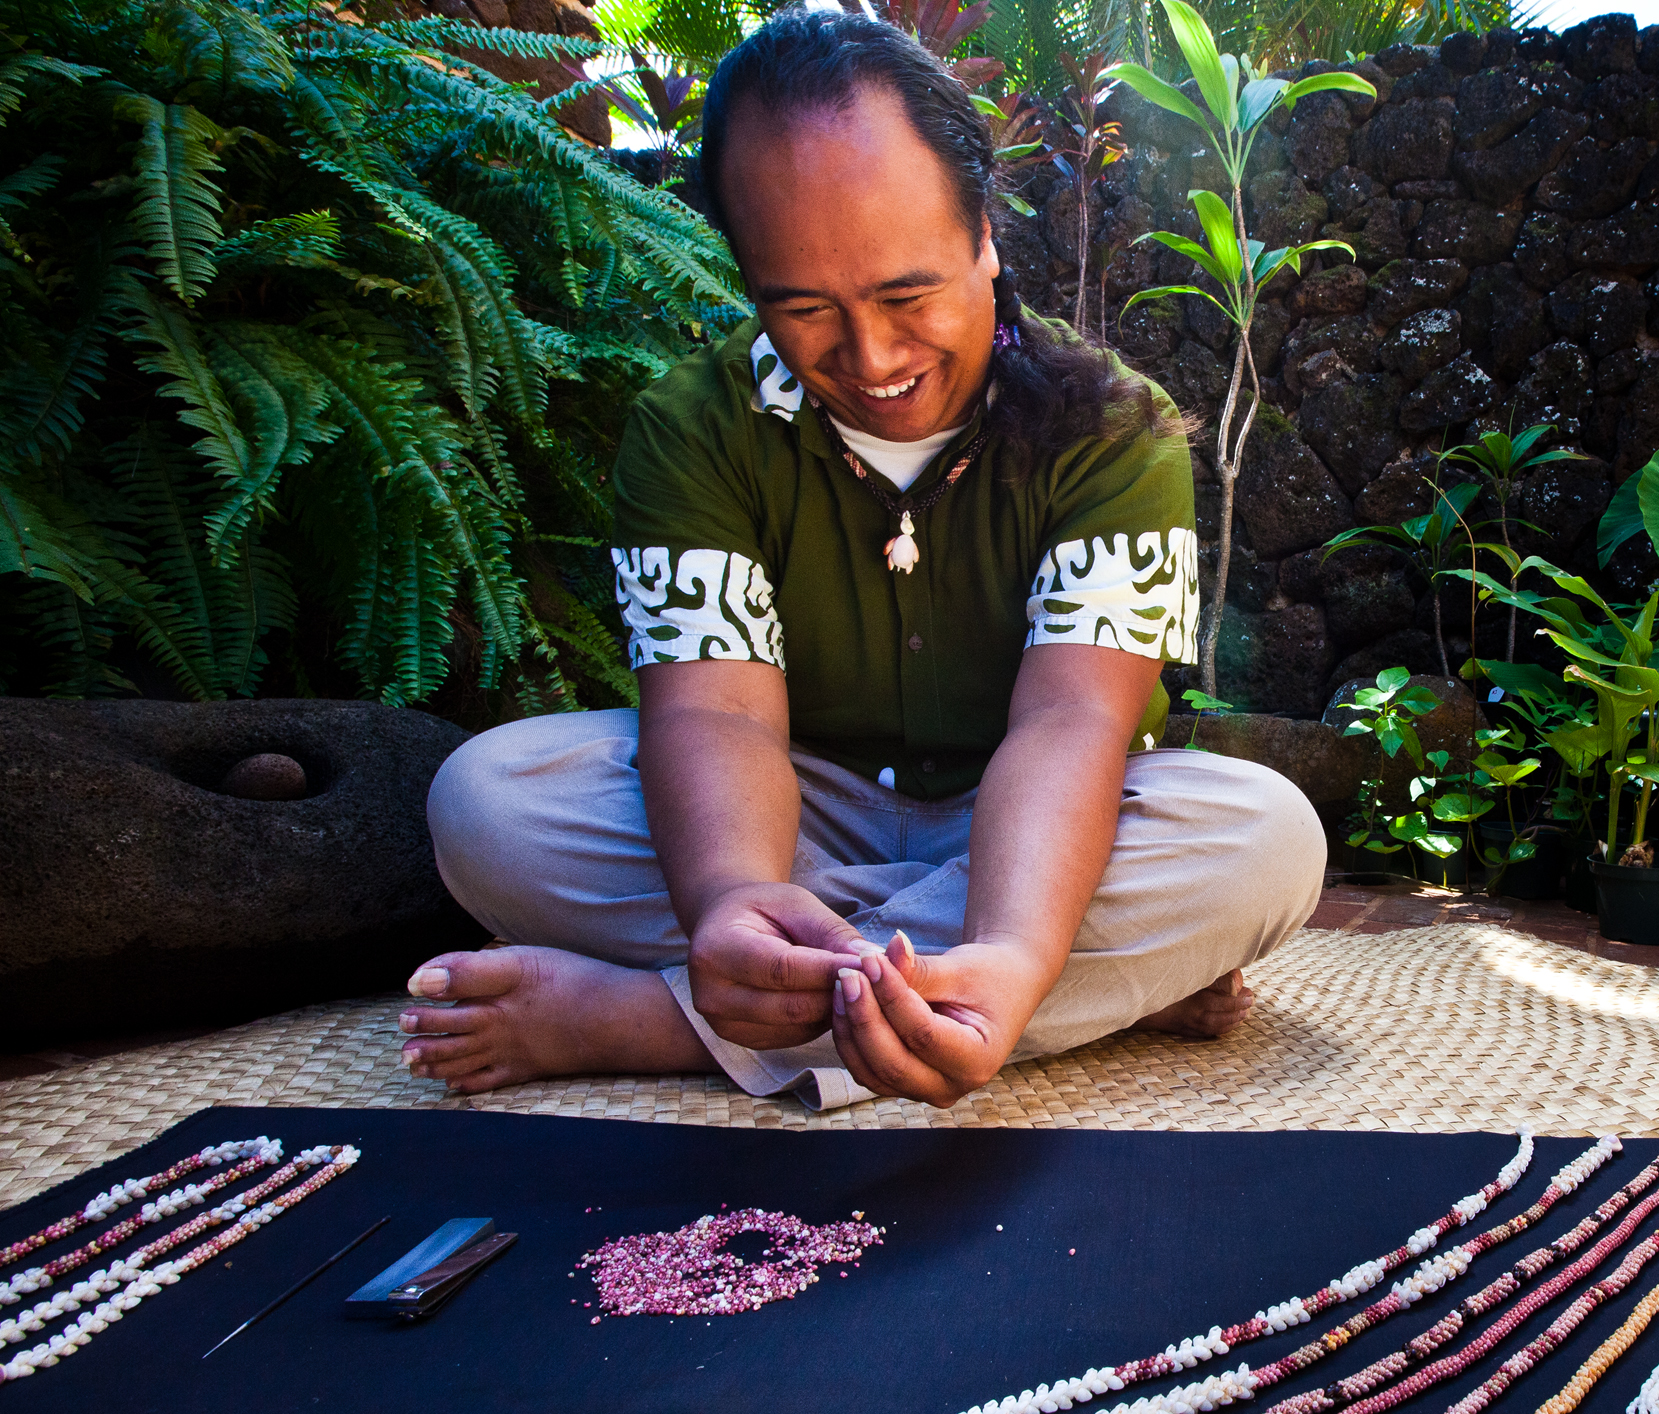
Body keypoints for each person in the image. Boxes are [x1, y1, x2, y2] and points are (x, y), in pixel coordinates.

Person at [400, 8, 1323, 1110]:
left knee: (1267, 836)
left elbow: (1070, 726)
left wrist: (1021, 943)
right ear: (746, 275)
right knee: (490, 802)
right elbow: (717, 718)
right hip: (796, 811)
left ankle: (664, 1019)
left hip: (1030, 819)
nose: (873, 358)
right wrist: (731, 901)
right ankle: (1081, 987)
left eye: (906, 293)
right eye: (802, 309)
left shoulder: (1116, 433)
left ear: (983, 229)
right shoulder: (695, 428)